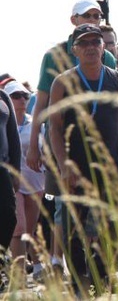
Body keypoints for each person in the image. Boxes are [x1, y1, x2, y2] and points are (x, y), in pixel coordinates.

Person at [26, 0, 117, 277]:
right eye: (87, 15)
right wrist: (33, 145)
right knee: (63, 203)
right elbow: (41, 104)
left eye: (97, 15)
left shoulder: (107, 57)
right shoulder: (53, 56)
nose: (93, 18)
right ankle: (56, 260)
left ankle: (95, 267)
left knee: (98, 211)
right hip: (60, 142)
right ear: (73, 20)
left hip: (100, 150)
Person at [47, 23, 118, 296]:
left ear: (103, 47)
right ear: (75, 50)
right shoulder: (62, 83)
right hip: (75, 167)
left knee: (111, 225)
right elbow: (55, 128)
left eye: (96, 42)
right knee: (72, 227)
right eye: (84, 43)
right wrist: (63, 165)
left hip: (111, 166)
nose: (91, 48)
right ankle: (79, 280)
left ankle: (102, 272)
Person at [5, 81, 45, 281]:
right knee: (19, 227)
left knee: (29, 229)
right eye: (16, 95)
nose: (21, 99)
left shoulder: (36, 125)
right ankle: (18, 277)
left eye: (25, 96)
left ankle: (36, 266)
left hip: (36, 182)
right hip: (13, 182)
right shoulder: (3, 122)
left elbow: (46, 151)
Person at [0, 87, 21, 291]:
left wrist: (16, 170)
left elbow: (13, 136)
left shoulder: (3, 96)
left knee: (9, 216)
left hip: (3, 169)